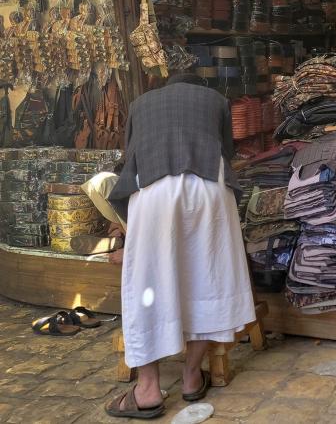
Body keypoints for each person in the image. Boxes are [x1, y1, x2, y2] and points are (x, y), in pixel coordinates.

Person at [104, 73, 256, 419]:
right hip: (208, 190)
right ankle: (190, 377)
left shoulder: (140, 103)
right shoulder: (216, 100)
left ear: (164, 87)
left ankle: (147, 390)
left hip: (156, 191)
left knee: (148, 285)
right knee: (208, 279)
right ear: (197, 87)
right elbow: (226, 153)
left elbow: (131, 157)